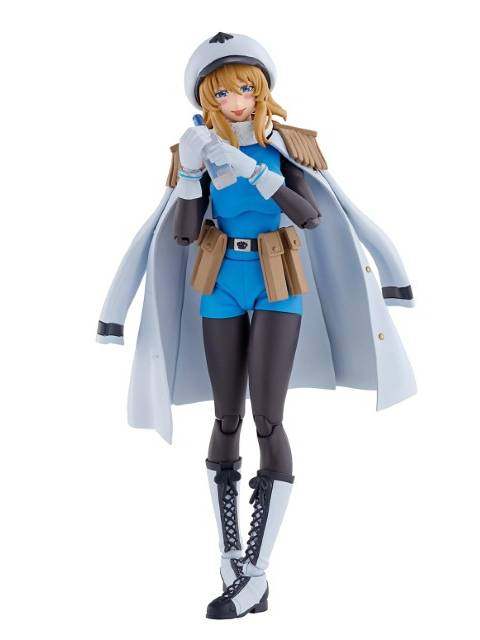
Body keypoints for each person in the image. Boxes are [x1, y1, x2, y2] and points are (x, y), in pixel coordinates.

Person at [97, 32, 416, 619]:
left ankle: (259, 570)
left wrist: (255, 170)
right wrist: (191, 174)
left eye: (245, 89)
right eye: (222, 93)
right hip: (220, 278)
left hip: (278, 280)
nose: (235, 101)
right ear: (207, 100)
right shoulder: (196, 150)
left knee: (269, 418)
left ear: (261, 91)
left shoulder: (285, 146)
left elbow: (313, 215)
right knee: (227, 417)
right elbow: (182, 234)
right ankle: (230, 560)